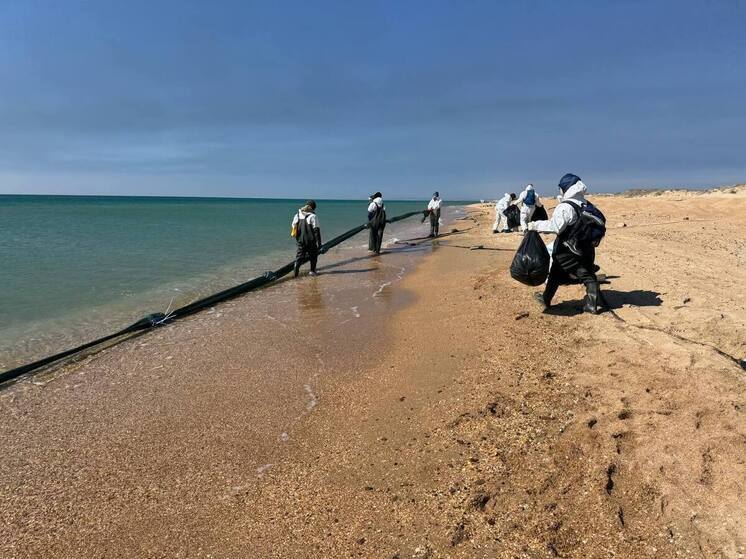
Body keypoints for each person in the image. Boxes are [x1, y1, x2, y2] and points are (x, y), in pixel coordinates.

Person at [527, 173, 604, 314]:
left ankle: (545, 299)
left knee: (555, 273)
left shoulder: (565, 207)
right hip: (586, 249)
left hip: (567, 250)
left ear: (566, 188)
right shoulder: (586, 203)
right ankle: (591, 305)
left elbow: (555, 227)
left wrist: (535, 225)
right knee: (587, 275)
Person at [291, 200, 322, 277]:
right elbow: (316, 230)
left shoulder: (297, 215)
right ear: (313, 208)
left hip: (300, 240)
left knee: (299, 256)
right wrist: (319, 243)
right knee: (313, 256)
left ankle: (295, 272)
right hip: (310, 241)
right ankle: (312, 271)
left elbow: (293, 226)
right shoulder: (313, 216)